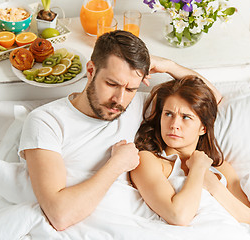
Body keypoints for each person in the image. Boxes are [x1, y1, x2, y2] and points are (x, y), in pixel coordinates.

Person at [18, 30, 222, 231]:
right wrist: (116, 165)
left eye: (131, 88)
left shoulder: (135, 106)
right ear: (91, 71)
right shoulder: (46, 121)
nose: (119, 99)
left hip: (139, 226)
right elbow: (60, 215)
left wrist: (169, 65)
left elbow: (210, 99)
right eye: (111, 84)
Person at [130, 76, 250, 226]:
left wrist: (214, 185)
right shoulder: (147, 160)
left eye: (186, 117)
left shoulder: (221, 167)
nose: (174, 124)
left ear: (203, 128)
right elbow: (178, 216)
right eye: (168, 114)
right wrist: (198, 168)